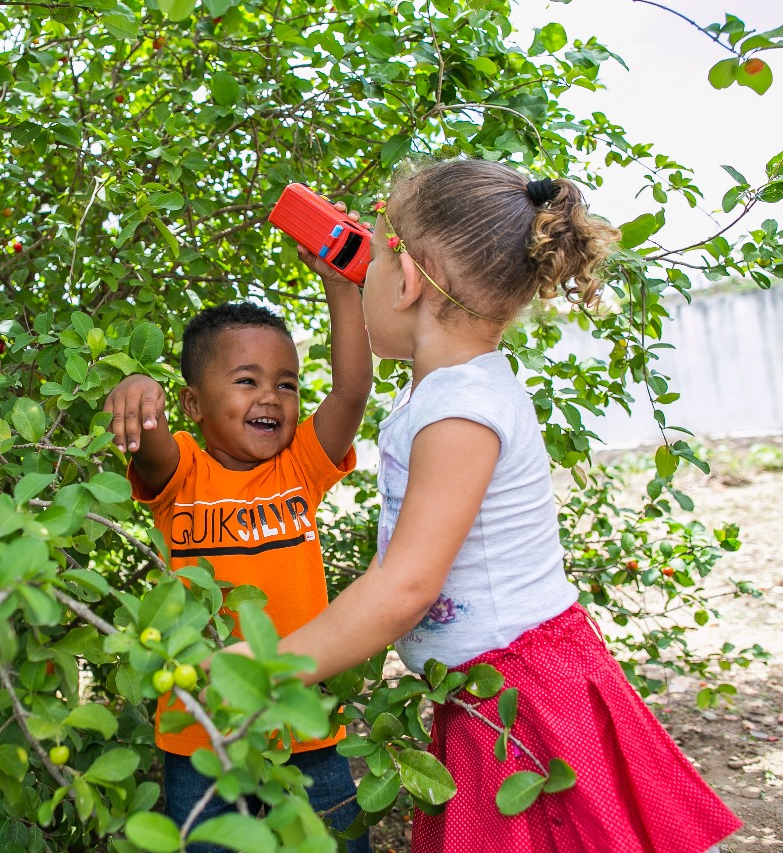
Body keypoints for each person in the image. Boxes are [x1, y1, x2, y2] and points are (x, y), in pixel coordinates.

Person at [221, 158, 742, 852]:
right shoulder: (453, 388)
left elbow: (405, 584)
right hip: (498, 685)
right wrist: (350, 279)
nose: (361, 275)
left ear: (407, 279)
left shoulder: (460, 412)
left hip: (520, 697)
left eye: (371, 264)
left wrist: (267, 668)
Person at [104, 260, 373, 850]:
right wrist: (138, 393)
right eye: (247, 381)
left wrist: (340, 287)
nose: (271, 398)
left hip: (305, 729)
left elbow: (352, 390)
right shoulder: (182, 472)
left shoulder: (299, 468)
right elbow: (149, 444)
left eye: (287, 383)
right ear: (193, 405)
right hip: (203, 739)